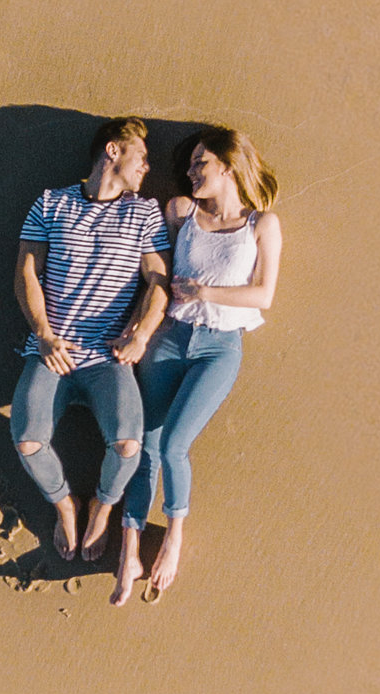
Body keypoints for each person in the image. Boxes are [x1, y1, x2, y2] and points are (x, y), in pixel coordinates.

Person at [112, 127, 282, 605]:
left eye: (199, 163)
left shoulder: (261, 225)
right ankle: (129, 551)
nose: (190, 173)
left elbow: (264, 294)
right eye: (188, 165)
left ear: (227, 166)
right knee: (144, 444)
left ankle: (173, 539)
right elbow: (157, 276)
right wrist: (136, 328)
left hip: (220, 347)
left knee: (175, 445)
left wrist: (204, 292)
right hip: (170, 338)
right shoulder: (181, 212)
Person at [10, 117, 173, 566]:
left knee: (127, 446)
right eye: (141, 155)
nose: (147, 165)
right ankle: (65, 504)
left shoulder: (144, 212)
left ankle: (102, 505)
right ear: (113, 151)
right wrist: (43, 335)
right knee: (27, 439)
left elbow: (159, 280)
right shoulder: (50, 203)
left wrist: (141, 334)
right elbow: (26, 273)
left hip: (108, 355)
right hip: (52, 350)